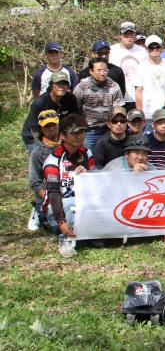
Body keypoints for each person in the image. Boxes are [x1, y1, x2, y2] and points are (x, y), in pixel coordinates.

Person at [42, 114, 95, 258]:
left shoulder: (87, 154)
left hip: (82, 203)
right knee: (73, 205)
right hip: (57, 208)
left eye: (81, 131)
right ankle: (64, 239)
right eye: (74, 132)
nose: (79, 136)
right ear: (63, 136)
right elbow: (53, 194)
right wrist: (61, 222)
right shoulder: (53, 160)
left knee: (99, 240)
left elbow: (95, 184)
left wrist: (88, 174)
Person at [21, 70, 79, 153]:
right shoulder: (39, 103)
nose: (61, 86)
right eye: (58, 84)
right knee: (43, 159)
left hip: (57, 135)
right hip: (35, 136)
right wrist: (41, 147)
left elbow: (74, 120)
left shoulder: (71, 98)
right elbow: (34, 129)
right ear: (51, 85)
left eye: (64, 84)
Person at [73, 57, 124, 151]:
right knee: (88, 157)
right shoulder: (82, 87)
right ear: (91, 71)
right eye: (99, 70)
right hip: (89, 130)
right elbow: (75, 109)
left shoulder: (113, 86)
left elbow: (118, 109)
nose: (102, 73)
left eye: (105, 70)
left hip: (108, 129)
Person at [132, 35, 165, 129]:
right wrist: (140, 114)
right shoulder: (140, 68)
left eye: (157, 47)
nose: (154, 49)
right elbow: (138, 92)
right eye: (151, 47)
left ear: (162, 47)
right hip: (149, 115)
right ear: (146, 49)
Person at [27, 110, 61, 231]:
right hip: (48, 198)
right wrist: (50, 200)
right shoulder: (37, 153)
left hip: (67, 194)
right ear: (40, 129)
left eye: (54, 125)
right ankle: (38, 210)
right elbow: (34, 182)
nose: (51, 129)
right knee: (58, 229)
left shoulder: (69, 146)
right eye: (47, 126)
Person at [108, 21, 146, 110]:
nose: (129, 36)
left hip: (138, 97)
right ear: (120, 35)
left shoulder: (143, 51)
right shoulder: (112, 51)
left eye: (131, 33)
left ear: (135, 35)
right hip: (118, 98)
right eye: (126, 34)